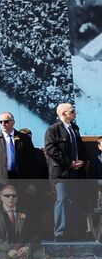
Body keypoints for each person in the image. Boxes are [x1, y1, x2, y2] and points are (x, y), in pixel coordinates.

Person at [44, 102, 87, 241]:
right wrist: (69, 162)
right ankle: (60, 233)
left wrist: (82, 160)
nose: (75, 113)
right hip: (60, 173)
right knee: (61, 200)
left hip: (75, 172)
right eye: (72, 111)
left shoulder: (75, 129)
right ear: (64, 114)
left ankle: (73, 231)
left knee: (74, 201)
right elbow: (51, 149)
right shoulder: (53, 130)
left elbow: (81, 148)